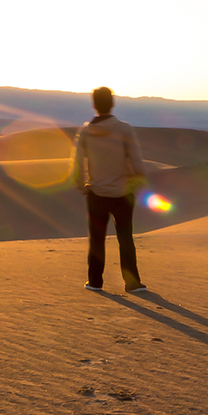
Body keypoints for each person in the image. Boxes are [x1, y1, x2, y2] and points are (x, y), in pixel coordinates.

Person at [70, 86, 150, 293]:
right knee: (125, 238)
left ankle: (95, 282)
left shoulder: (86, 131)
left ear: (94, 105)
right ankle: (132, 283)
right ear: (112, 103)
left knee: (96, 239)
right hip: (123, 193)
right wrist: (137, 183)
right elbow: (136, 161)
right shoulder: (124, 129)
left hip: (96, 193)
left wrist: (81, 186)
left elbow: (77, 162)